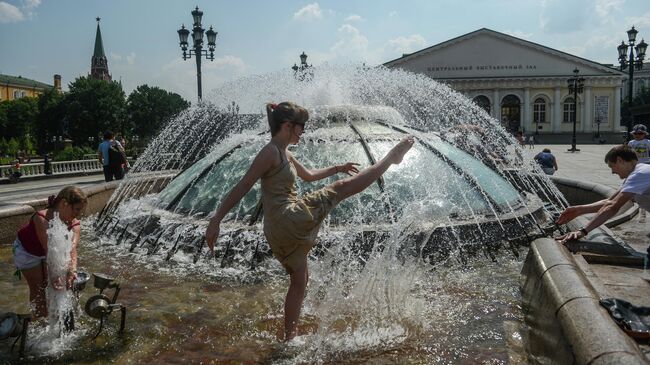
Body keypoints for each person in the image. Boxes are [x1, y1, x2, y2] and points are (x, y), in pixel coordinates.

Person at [204, 102, 414, 341]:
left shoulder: (284, 153)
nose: (303, 132)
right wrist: (216, 219)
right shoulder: (270, 152)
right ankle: (390, 159)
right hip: (287, 218)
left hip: (279, 227)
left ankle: (289, 337)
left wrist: (338, 167)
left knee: (300, 280)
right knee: (340, 189)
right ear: (287, 126)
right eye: (301, 127)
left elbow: (310, 176)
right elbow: (243, 184)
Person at [12, 186, 87, 318]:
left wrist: (72, 271)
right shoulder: (41, 218)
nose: (78, 214)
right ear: (64, 203)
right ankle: (40, 323)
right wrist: (55, 274)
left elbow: (72, 248)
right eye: (77, 209)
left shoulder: (75, 223)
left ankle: (53, 319)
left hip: (46, 251)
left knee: (53, 285)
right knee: (38, 288)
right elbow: (49, 250)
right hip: (27, 251)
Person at [556, 145, 650, 244]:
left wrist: (583, 231)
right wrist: (580, 210)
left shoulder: (640, 174)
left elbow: (613, 206)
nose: (613, 171)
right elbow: (609, 201)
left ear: (619, 160)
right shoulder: (638, 173)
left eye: (611, 166)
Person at [627, 124, 650, 222]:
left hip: (647, 163)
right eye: (636, 133)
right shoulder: (631, 143)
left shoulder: (648, 142)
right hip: (635, 164)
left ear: (644, 134)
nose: (638, 135)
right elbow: (628, 153)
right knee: (633, 180)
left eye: (640, 133)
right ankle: (633, 196)